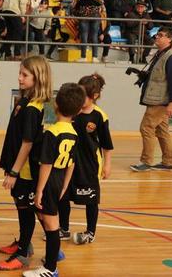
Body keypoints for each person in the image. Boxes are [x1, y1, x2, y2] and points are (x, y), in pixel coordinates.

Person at [0, 56, 53, 271]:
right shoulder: (24, 100)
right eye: (19, 73)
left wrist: (14, 171)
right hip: (18, 165)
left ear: (38, 78)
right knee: (22, 207)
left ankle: (23, 254)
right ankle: (23, 242)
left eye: (25, 75)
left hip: (27, 169)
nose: (19, 78)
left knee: (26, 209)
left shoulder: (32, 108)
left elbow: (27, 143)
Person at [25, 83, 85, 277]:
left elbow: (47, 164)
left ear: (56, 105)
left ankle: (50, 268)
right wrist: (65, 185)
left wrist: (40, 190)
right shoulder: (74, 132)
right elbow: (72, 164)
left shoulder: (52, 132)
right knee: (45, 217)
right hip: (59, 180)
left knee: (51, 224)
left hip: (49, 180)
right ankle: (53, 257)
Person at [56, 74, 113, 246]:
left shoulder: (100, 116)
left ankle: (90, 232)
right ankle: (63, 229)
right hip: (70, 161)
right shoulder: (72, 112)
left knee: (91, 199)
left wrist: (107, 165)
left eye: (84, 96)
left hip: (89, 164)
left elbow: (106, 144)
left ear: (94, 96)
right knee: (63, 195)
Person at [130, 27, 172, 172]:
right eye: (156, 35)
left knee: (146, 128)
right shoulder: (161, 54)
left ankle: (146, 162)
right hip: (158, 100)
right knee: (162, 131)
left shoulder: (171, 58)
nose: (156, 38)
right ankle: (168, 162)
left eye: (160, 35)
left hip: (161, 102)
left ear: (169, 39)